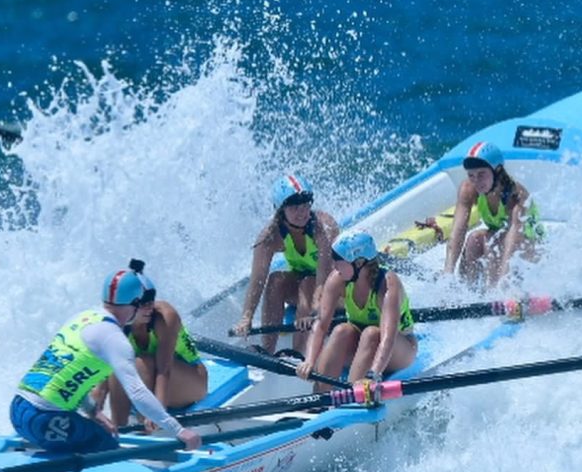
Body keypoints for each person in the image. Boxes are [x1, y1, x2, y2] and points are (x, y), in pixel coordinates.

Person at [9, 267, 201, 453]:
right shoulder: (114, 338)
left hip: (17, 410)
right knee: (108, 444)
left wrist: (94, 412)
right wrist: (178, 430)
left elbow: (68, 378)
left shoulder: (81, 318)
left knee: (94, 431)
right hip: (44, 420)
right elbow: (137, 392)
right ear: (134, 304)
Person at [232, 174, 340, 356]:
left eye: (306, 205)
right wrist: (246, 317)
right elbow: (258, 280)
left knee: (307, 283)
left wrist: (314, 309)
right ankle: (267, 351)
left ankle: (298, 354)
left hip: (337, 291)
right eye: (295, 207)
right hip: (305, 291)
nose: (302, 212)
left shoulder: (324, 228)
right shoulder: (269, 237)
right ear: (280, 210)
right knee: (275, 280)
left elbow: (323, 279)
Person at [296, 232, 417, 390]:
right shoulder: (337, 279)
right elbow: (321, 324)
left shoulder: (387, 285)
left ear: (359, 262)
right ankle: (320, 395)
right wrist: (309, 361)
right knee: (341, 330)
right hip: (363, 344)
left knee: (372, 333)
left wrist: (373, 374)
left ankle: (354, 395)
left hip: (400, 350)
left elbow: (388, 339)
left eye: (339, 261)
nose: (335, 266)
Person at [105, 259, 209, 428]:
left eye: (150, 302)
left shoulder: (165, 316)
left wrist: (158, 412)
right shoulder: (114, 324)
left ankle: (147, 431)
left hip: (193, 380)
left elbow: (164, 369)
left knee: (143, 363)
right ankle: (119, 432)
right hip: (150, 381)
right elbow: (101, 384)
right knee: (116, 367)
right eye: (142, 304)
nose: (148, 308)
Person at [442, 141, 545, 289]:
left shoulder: (515, 195)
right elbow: (457, 233)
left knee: (492, 241)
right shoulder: (468, 189)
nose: (476, 181)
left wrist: (502, 284)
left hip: (532, 248)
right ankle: (465, 292)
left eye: (481, 174)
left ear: (497, 171)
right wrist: (448, 273)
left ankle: (492, 293)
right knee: (474, 239)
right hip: (501, 242)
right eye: (471, 175)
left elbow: (513, 240)